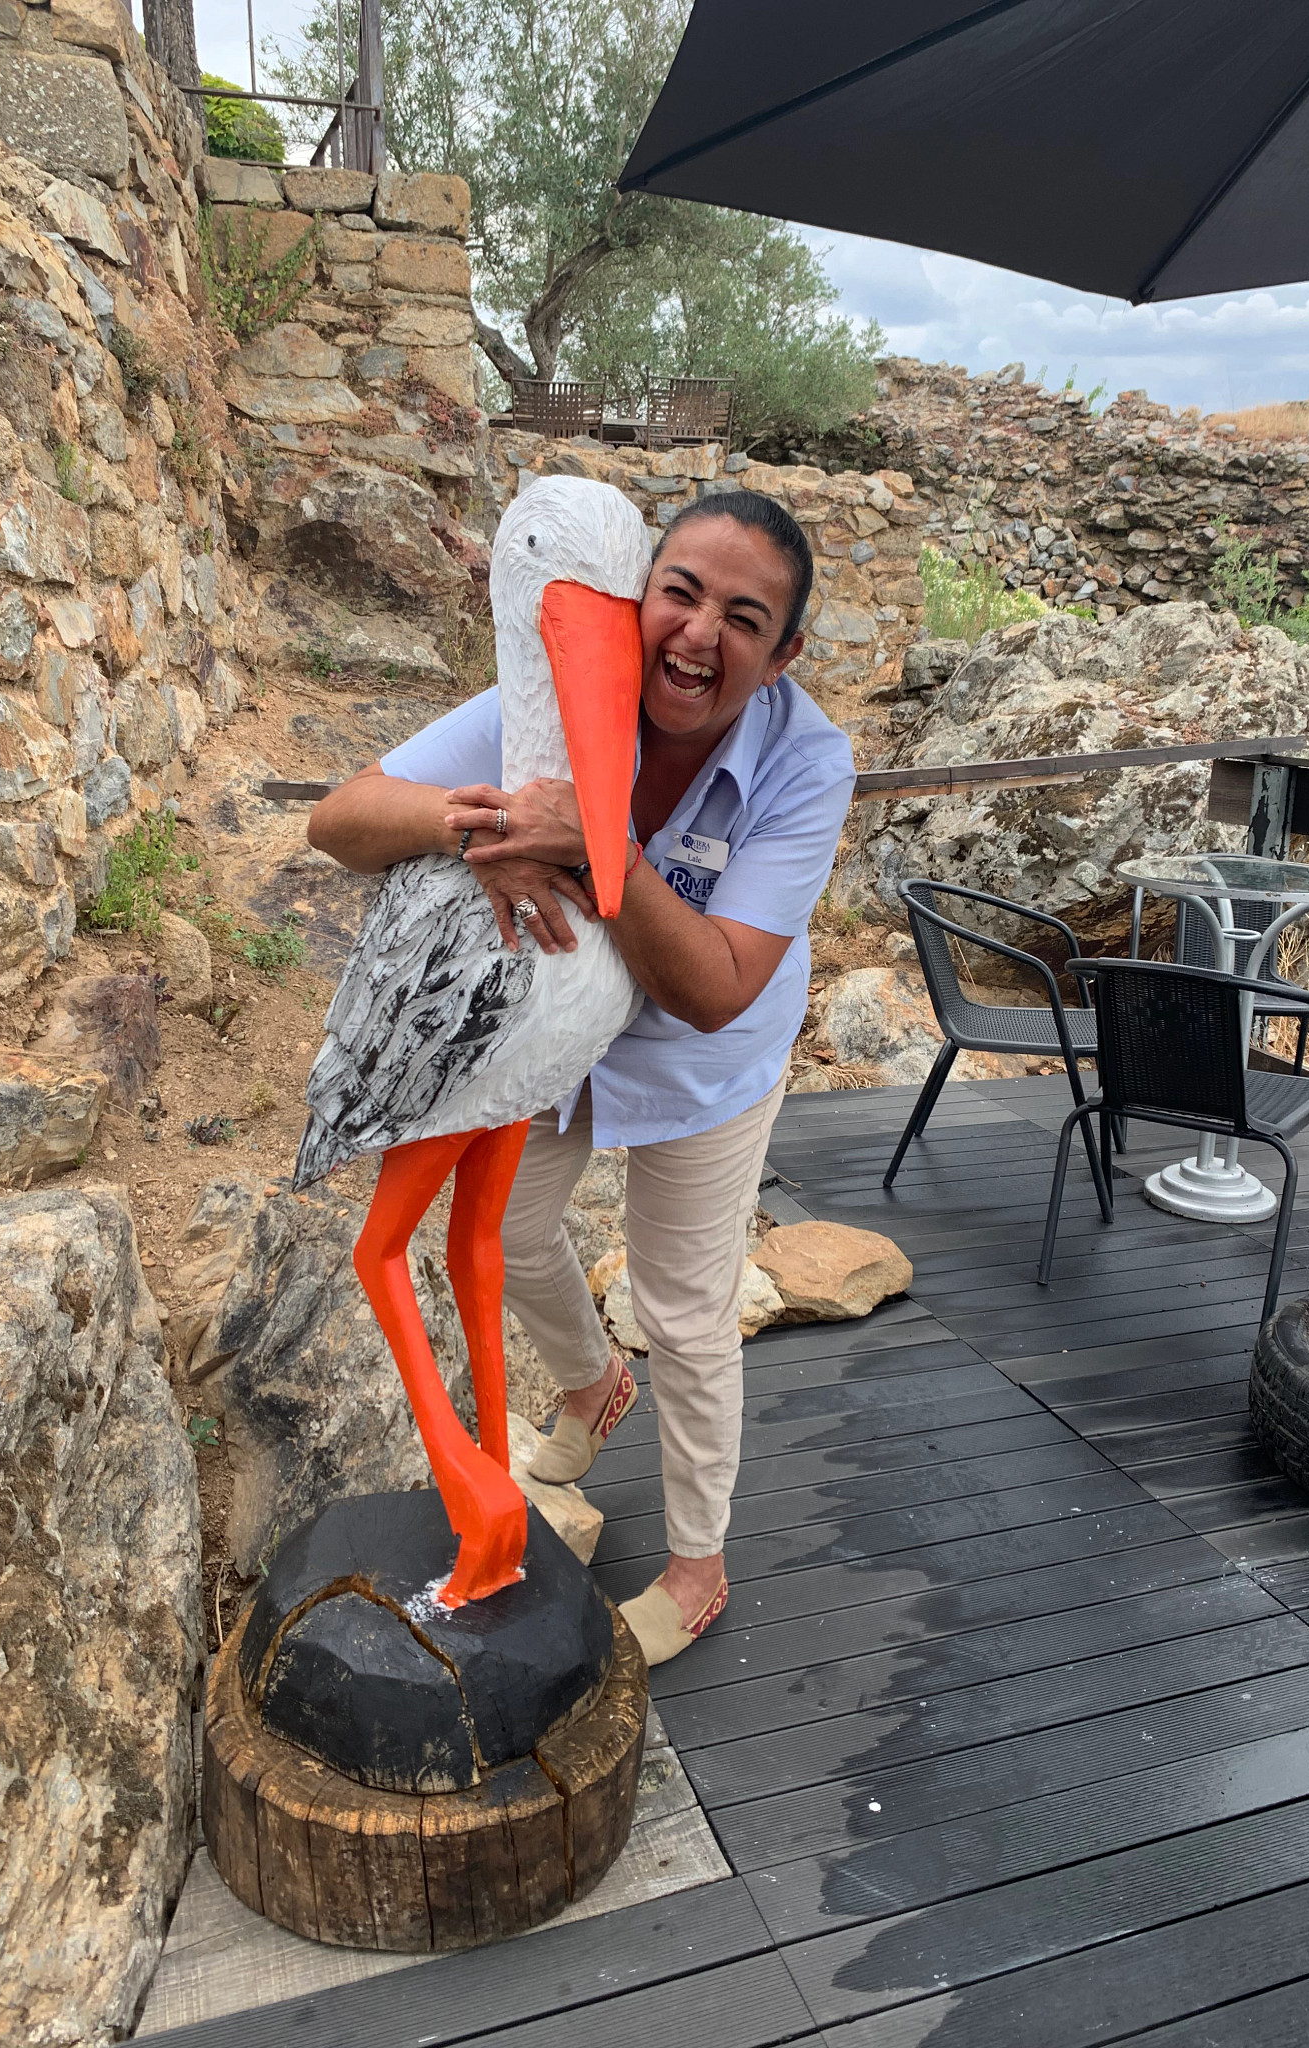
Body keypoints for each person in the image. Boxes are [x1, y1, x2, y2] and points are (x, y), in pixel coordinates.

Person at [306, 489, 855, 1663]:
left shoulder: (810, 764)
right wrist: (473, 822)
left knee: (686, 1304)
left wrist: (596, 846)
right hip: (561, 1033)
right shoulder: (557, 687)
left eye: (745, 617)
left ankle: (698, 1560)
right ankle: (590, 1382)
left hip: (709, 1058)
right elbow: (342, 818)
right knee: (515, 1230)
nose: (700, 633)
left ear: (784, 654)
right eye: (682, 592)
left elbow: (714, 986)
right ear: (642, 589)